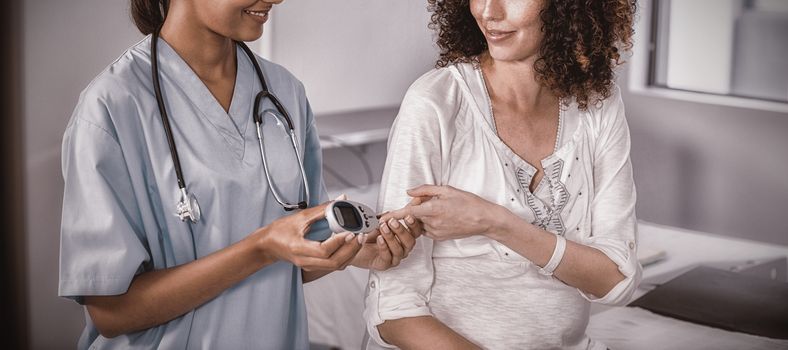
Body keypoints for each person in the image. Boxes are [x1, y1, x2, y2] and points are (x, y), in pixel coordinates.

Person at [58, 0, 420, 348]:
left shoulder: (285, 92)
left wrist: (354, 249)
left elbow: (295, 257)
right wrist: (261, 248)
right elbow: (111, 312)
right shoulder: (111, 107)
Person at [364, 0, 640, 349]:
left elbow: (616, 281)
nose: (488, 12)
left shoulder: (597, 103)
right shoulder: (435, 102)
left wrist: (496, 223)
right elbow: (393, 311)